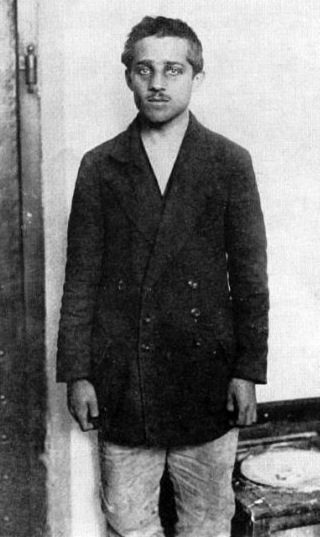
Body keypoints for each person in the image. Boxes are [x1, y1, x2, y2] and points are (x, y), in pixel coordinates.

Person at [57, 15, 269, 537]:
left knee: (208, 522)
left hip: (208, 378)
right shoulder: (99, 166)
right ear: (127, 76)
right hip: (125, 380)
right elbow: (80, 279)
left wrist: (248, 369)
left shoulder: (228, 163)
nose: (157, 83)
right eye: (144, 69)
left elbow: (250, 279)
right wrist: (77, 373)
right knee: (129, 521)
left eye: (173, 69)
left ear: (197, 77)